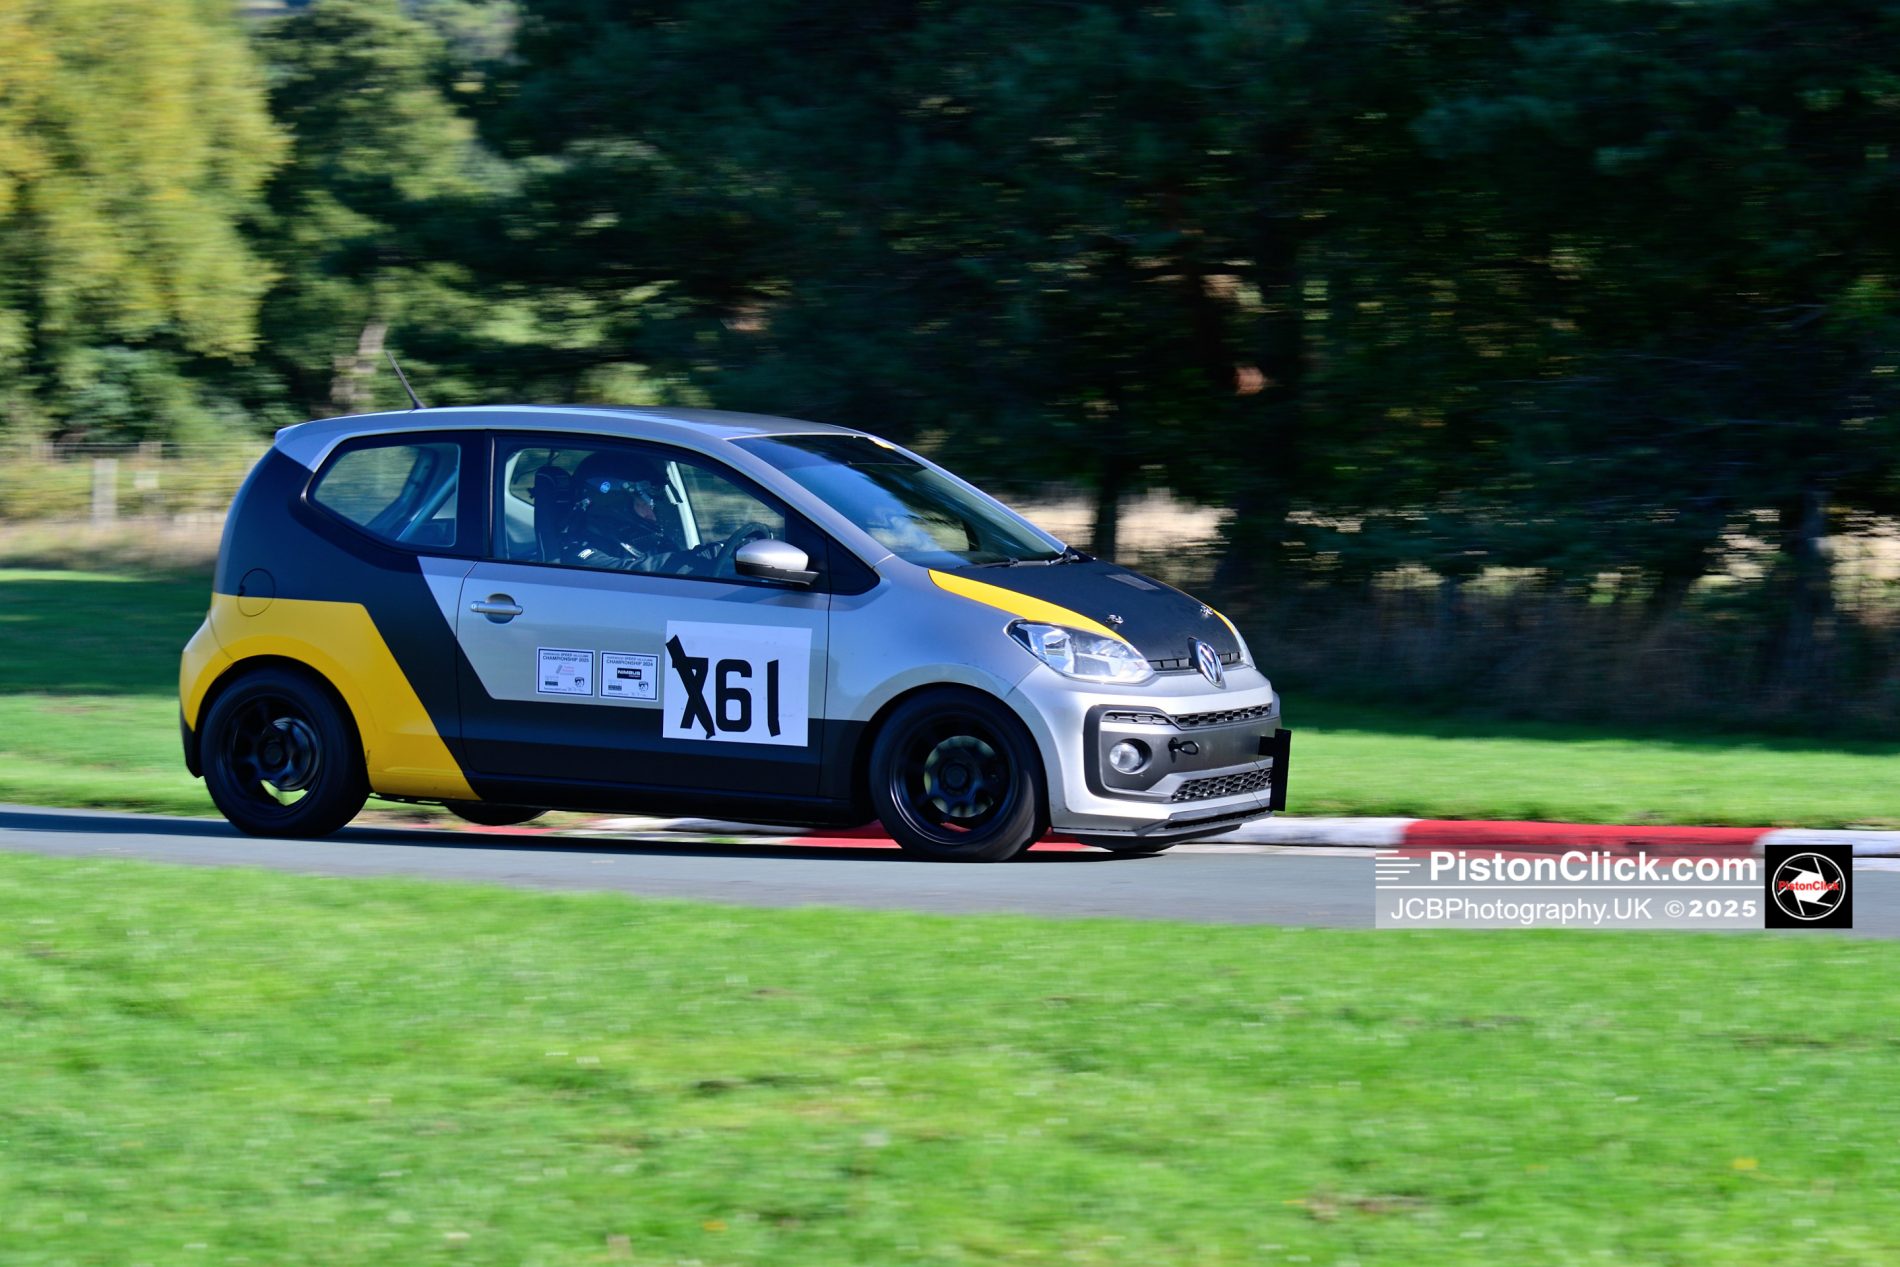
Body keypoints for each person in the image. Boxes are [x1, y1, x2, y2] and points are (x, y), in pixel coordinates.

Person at [558, 451, 707, 574]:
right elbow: (627, 571)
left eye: (652, 506)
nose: (652, 514)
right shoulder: (579, 554)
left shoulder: (645, 543)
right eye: (643, 503)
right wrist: (695, 560)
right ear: (613, 506)